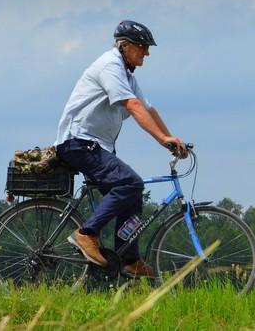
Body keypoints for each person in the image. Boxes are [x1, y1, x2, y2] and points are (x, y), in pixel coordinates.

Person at [54, 20, 187, 278]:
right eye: (142, 46)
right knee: (130, 183)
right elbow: (133, 106)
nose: (147, 52)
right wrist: (162, 139)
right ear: (124, 46)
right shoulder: (110, 66)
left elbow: (147, 108)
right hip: (78, 142)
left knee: (132, 195)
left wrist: (170, 138)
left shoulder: (126, 75)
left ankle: (129, 259)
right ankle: (86, 234)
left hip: (95, 145)